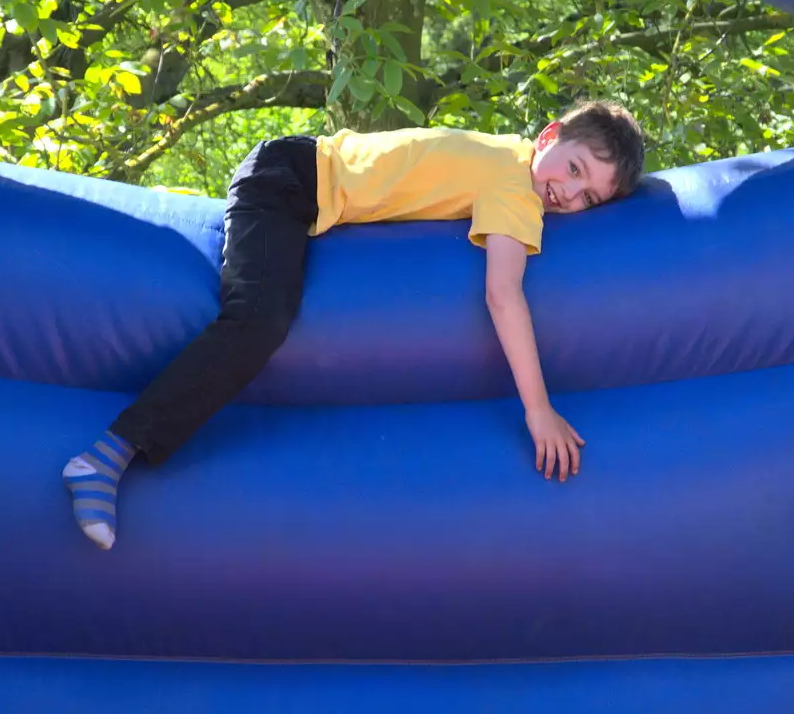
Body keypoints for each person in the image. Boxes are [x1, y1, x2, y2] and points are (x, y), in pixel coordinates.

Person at [64, 101, 646, 549]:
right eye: (572, 169)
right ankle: (107, 455)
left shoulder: (511, 160)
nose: (567, 193)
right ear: (548, 137)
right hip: (286, 182)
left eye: (588, 198)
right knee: (258, 321)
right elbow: (502, 293)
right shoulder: (515, 181)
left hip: (294, 172)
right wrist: (538, 410)